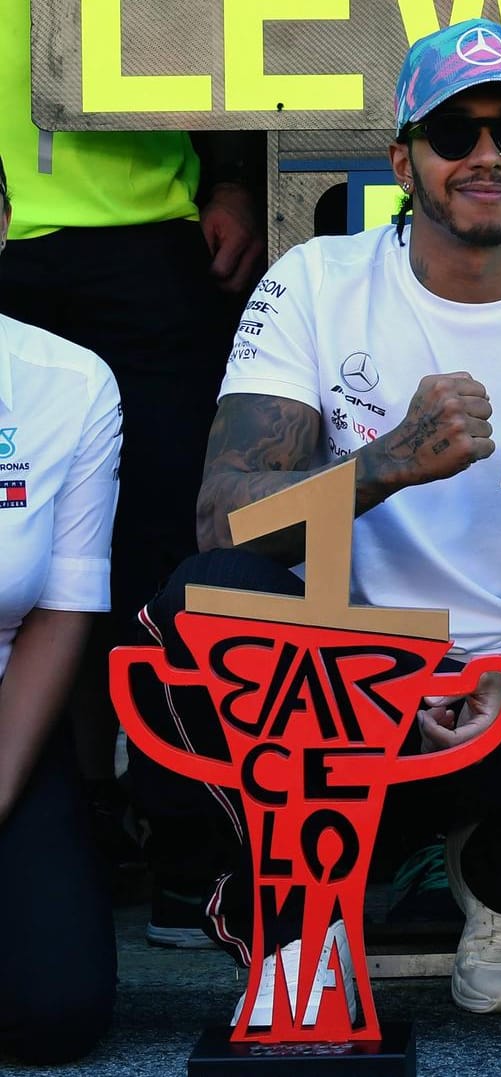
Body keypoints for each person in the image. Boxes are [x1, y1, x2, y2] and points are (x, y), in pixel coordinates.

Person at [131, 18, 501, 1015]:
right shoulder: (313, 283)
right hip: (336, 672)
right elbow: (221, 524)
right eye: (454, 133)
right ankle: (309, 885)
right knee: (197, 610)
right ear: (404, 159)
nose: (486, 155)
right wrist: (385, 465)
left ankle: (494, 883)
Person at [2, 0, 266, 932]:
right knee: (20, 533)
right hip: (7, 237)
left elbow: (239, 27)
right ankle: (71, 813)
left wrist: (235, 175)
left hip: (143, 229)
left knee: (160, 541)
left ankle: (184, 831)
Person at [0, 155, 122, 1063]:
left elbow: (60, 609)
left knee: (56, 1010)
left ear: (2, 219)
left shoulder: (69, 382)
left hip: (4, 711)